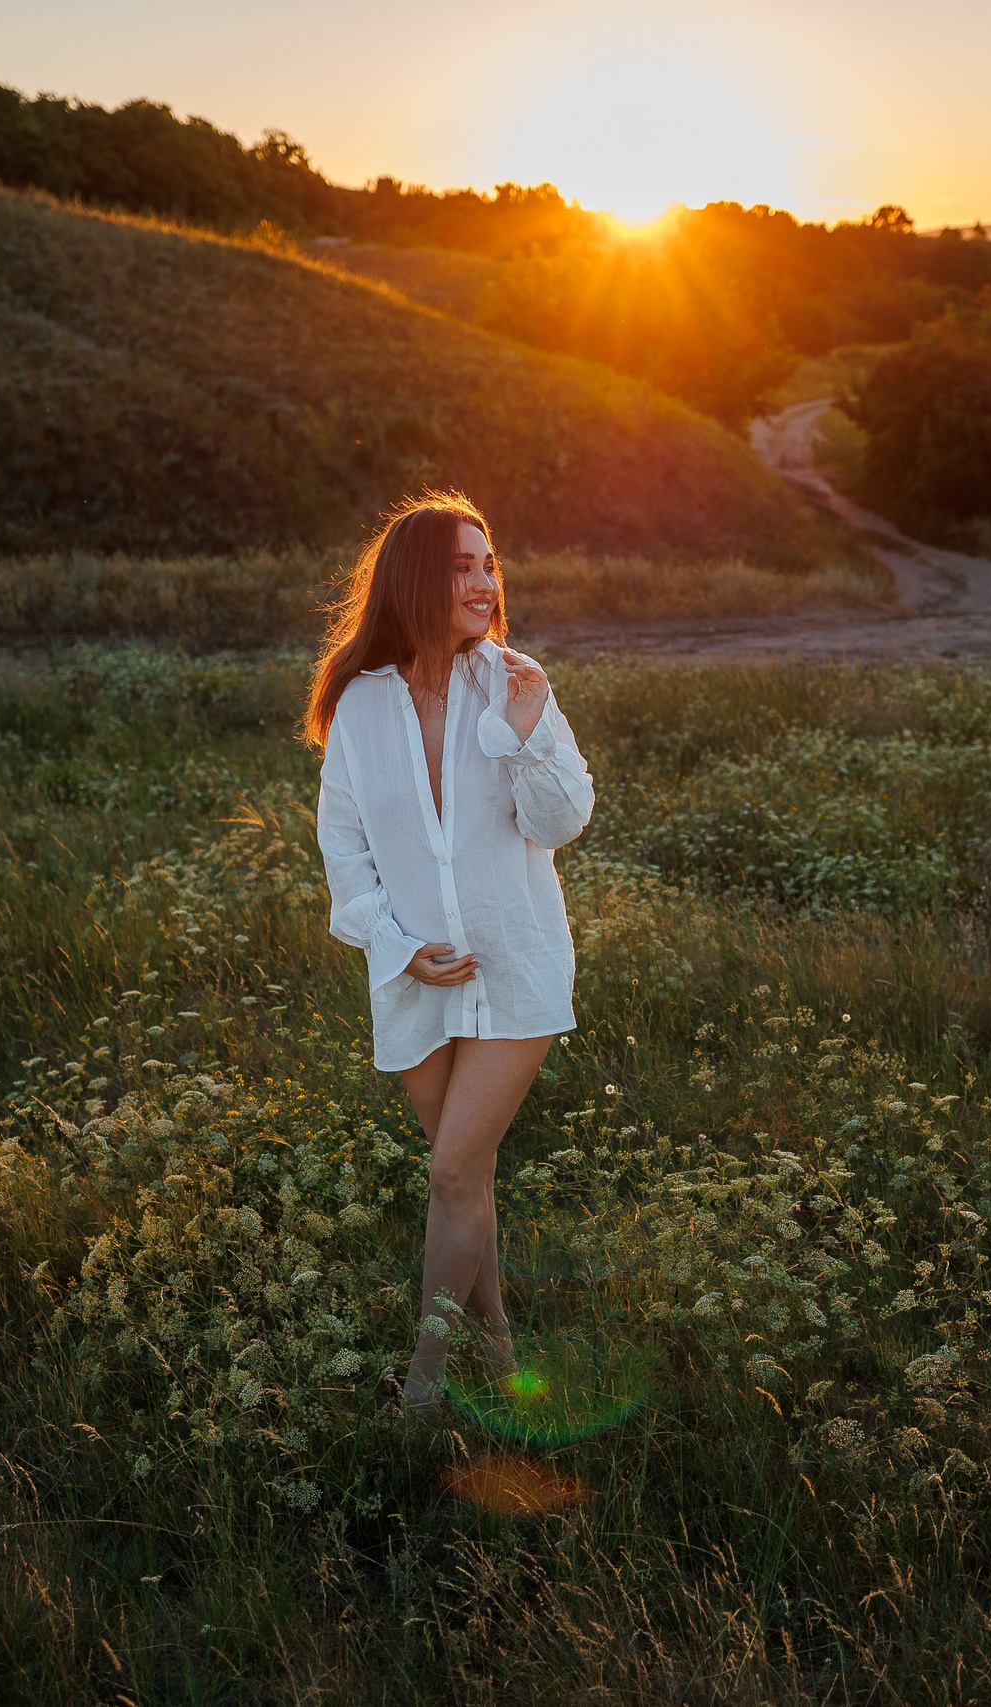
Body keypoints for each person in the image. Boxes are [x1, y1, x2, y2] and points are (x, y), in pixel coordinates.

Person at [304, 492, 595, 1415]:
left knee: (448, 1173)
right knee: (465, 1184)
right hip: (414, 980)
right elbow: (343, 856)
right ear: (418, 580)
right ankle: (507, 1360)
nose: (484, 582)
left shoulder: (513, 683)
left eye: (489, 563)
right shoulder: (358, 706)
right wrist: (397, 947)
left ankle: (422, 1390)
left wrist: (521, 734)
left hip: (515, 968)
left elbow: (564, 820)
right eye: (463, 565)